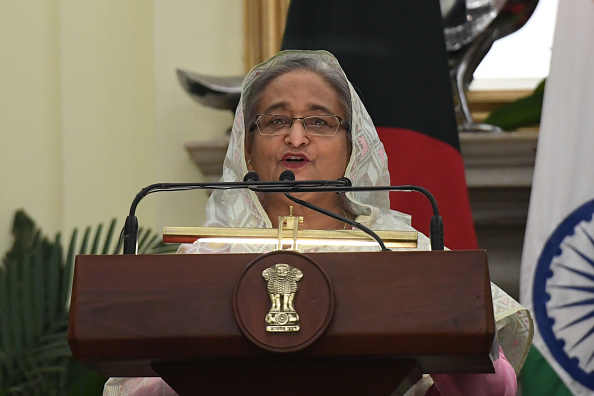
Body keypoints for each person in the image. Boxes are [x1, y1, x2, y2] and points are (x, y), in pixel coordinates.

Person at [103, 50, 532, 395]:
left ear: (352, 147)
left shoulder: (403, 255)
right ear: (247, 149)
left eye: (319, 122)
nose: (296, 137)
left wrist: (439, 327)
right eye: (275, 120)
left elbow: (495, 389)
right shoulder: (202, 258)